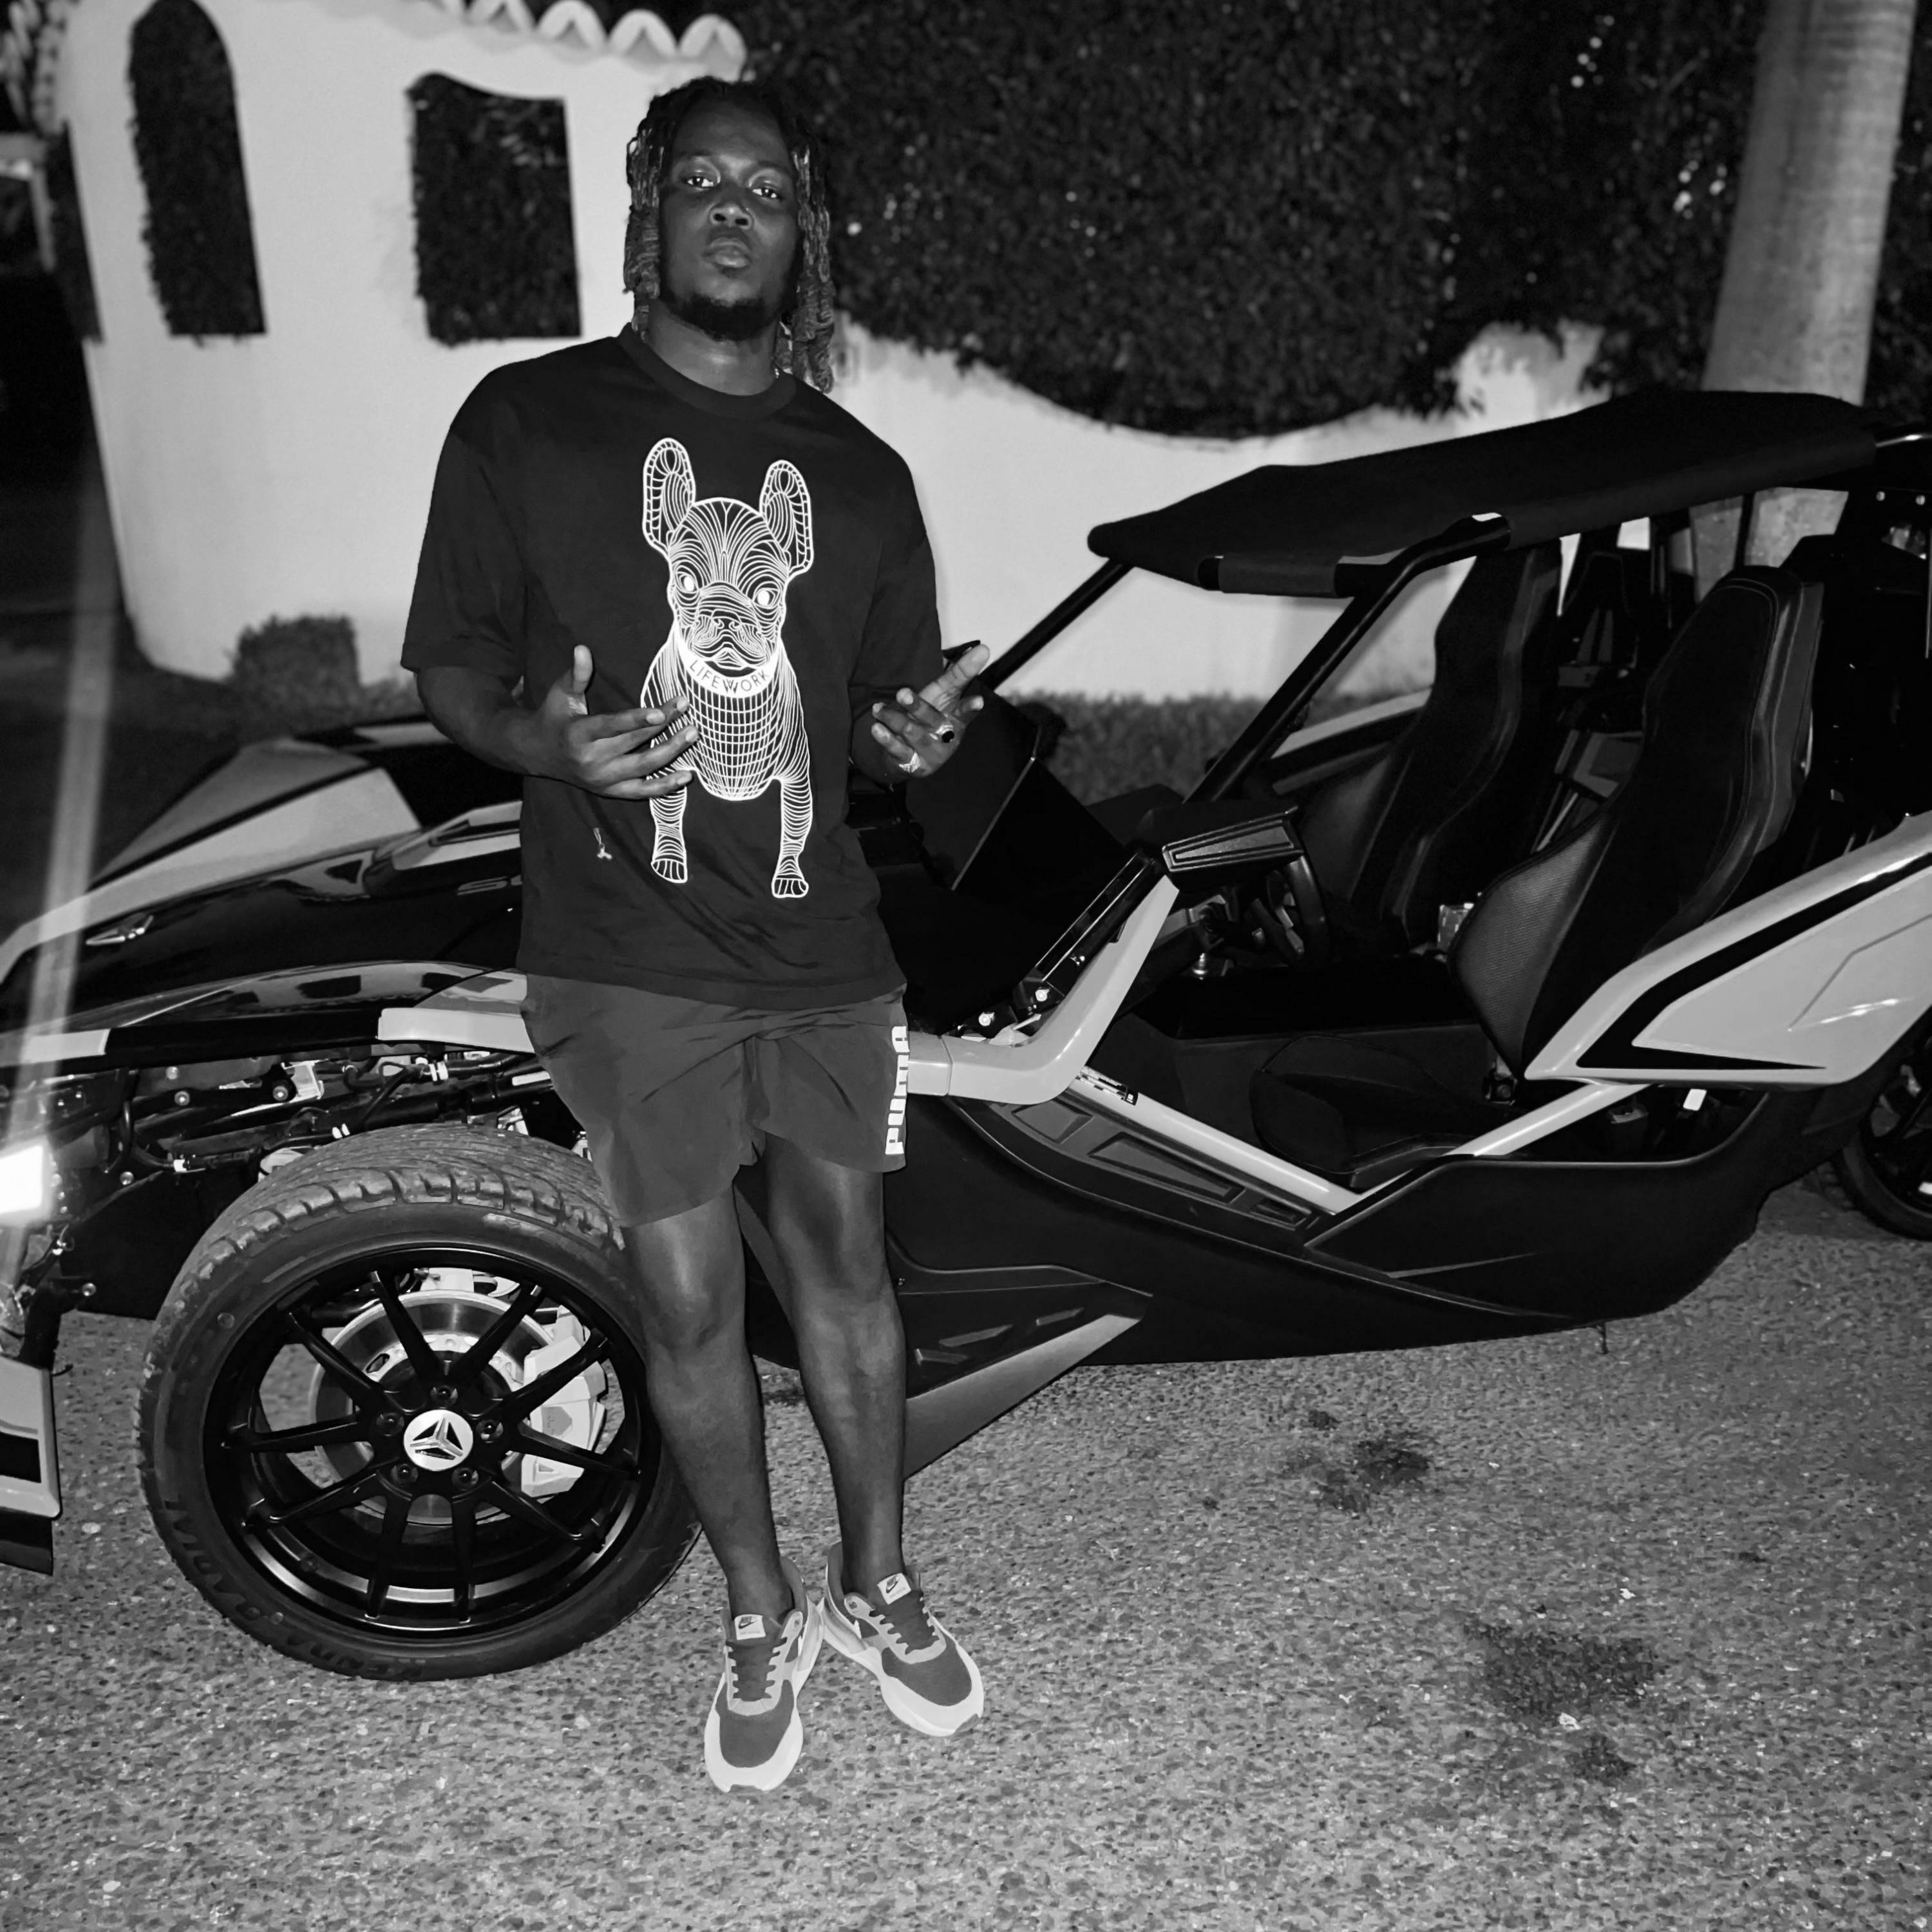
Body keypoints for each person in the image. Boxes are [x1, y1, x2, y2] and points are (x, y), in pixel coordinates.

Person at [402, 75, 990, 1793]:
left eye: (771, 190)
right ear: (653, 206)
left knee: (848, 1270)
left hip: (822, 945)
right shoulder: (526, 423)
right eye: (704, 181)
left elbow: (882, 706)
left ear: (806, 235)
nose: (737, 209)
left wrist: (911, 738)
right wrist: (539, 741)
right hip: (620, 942)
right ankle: (757, 1610)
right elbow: (451, 667)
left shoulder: (859, 475)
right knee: (684, 1295)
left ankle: (880, 1584)